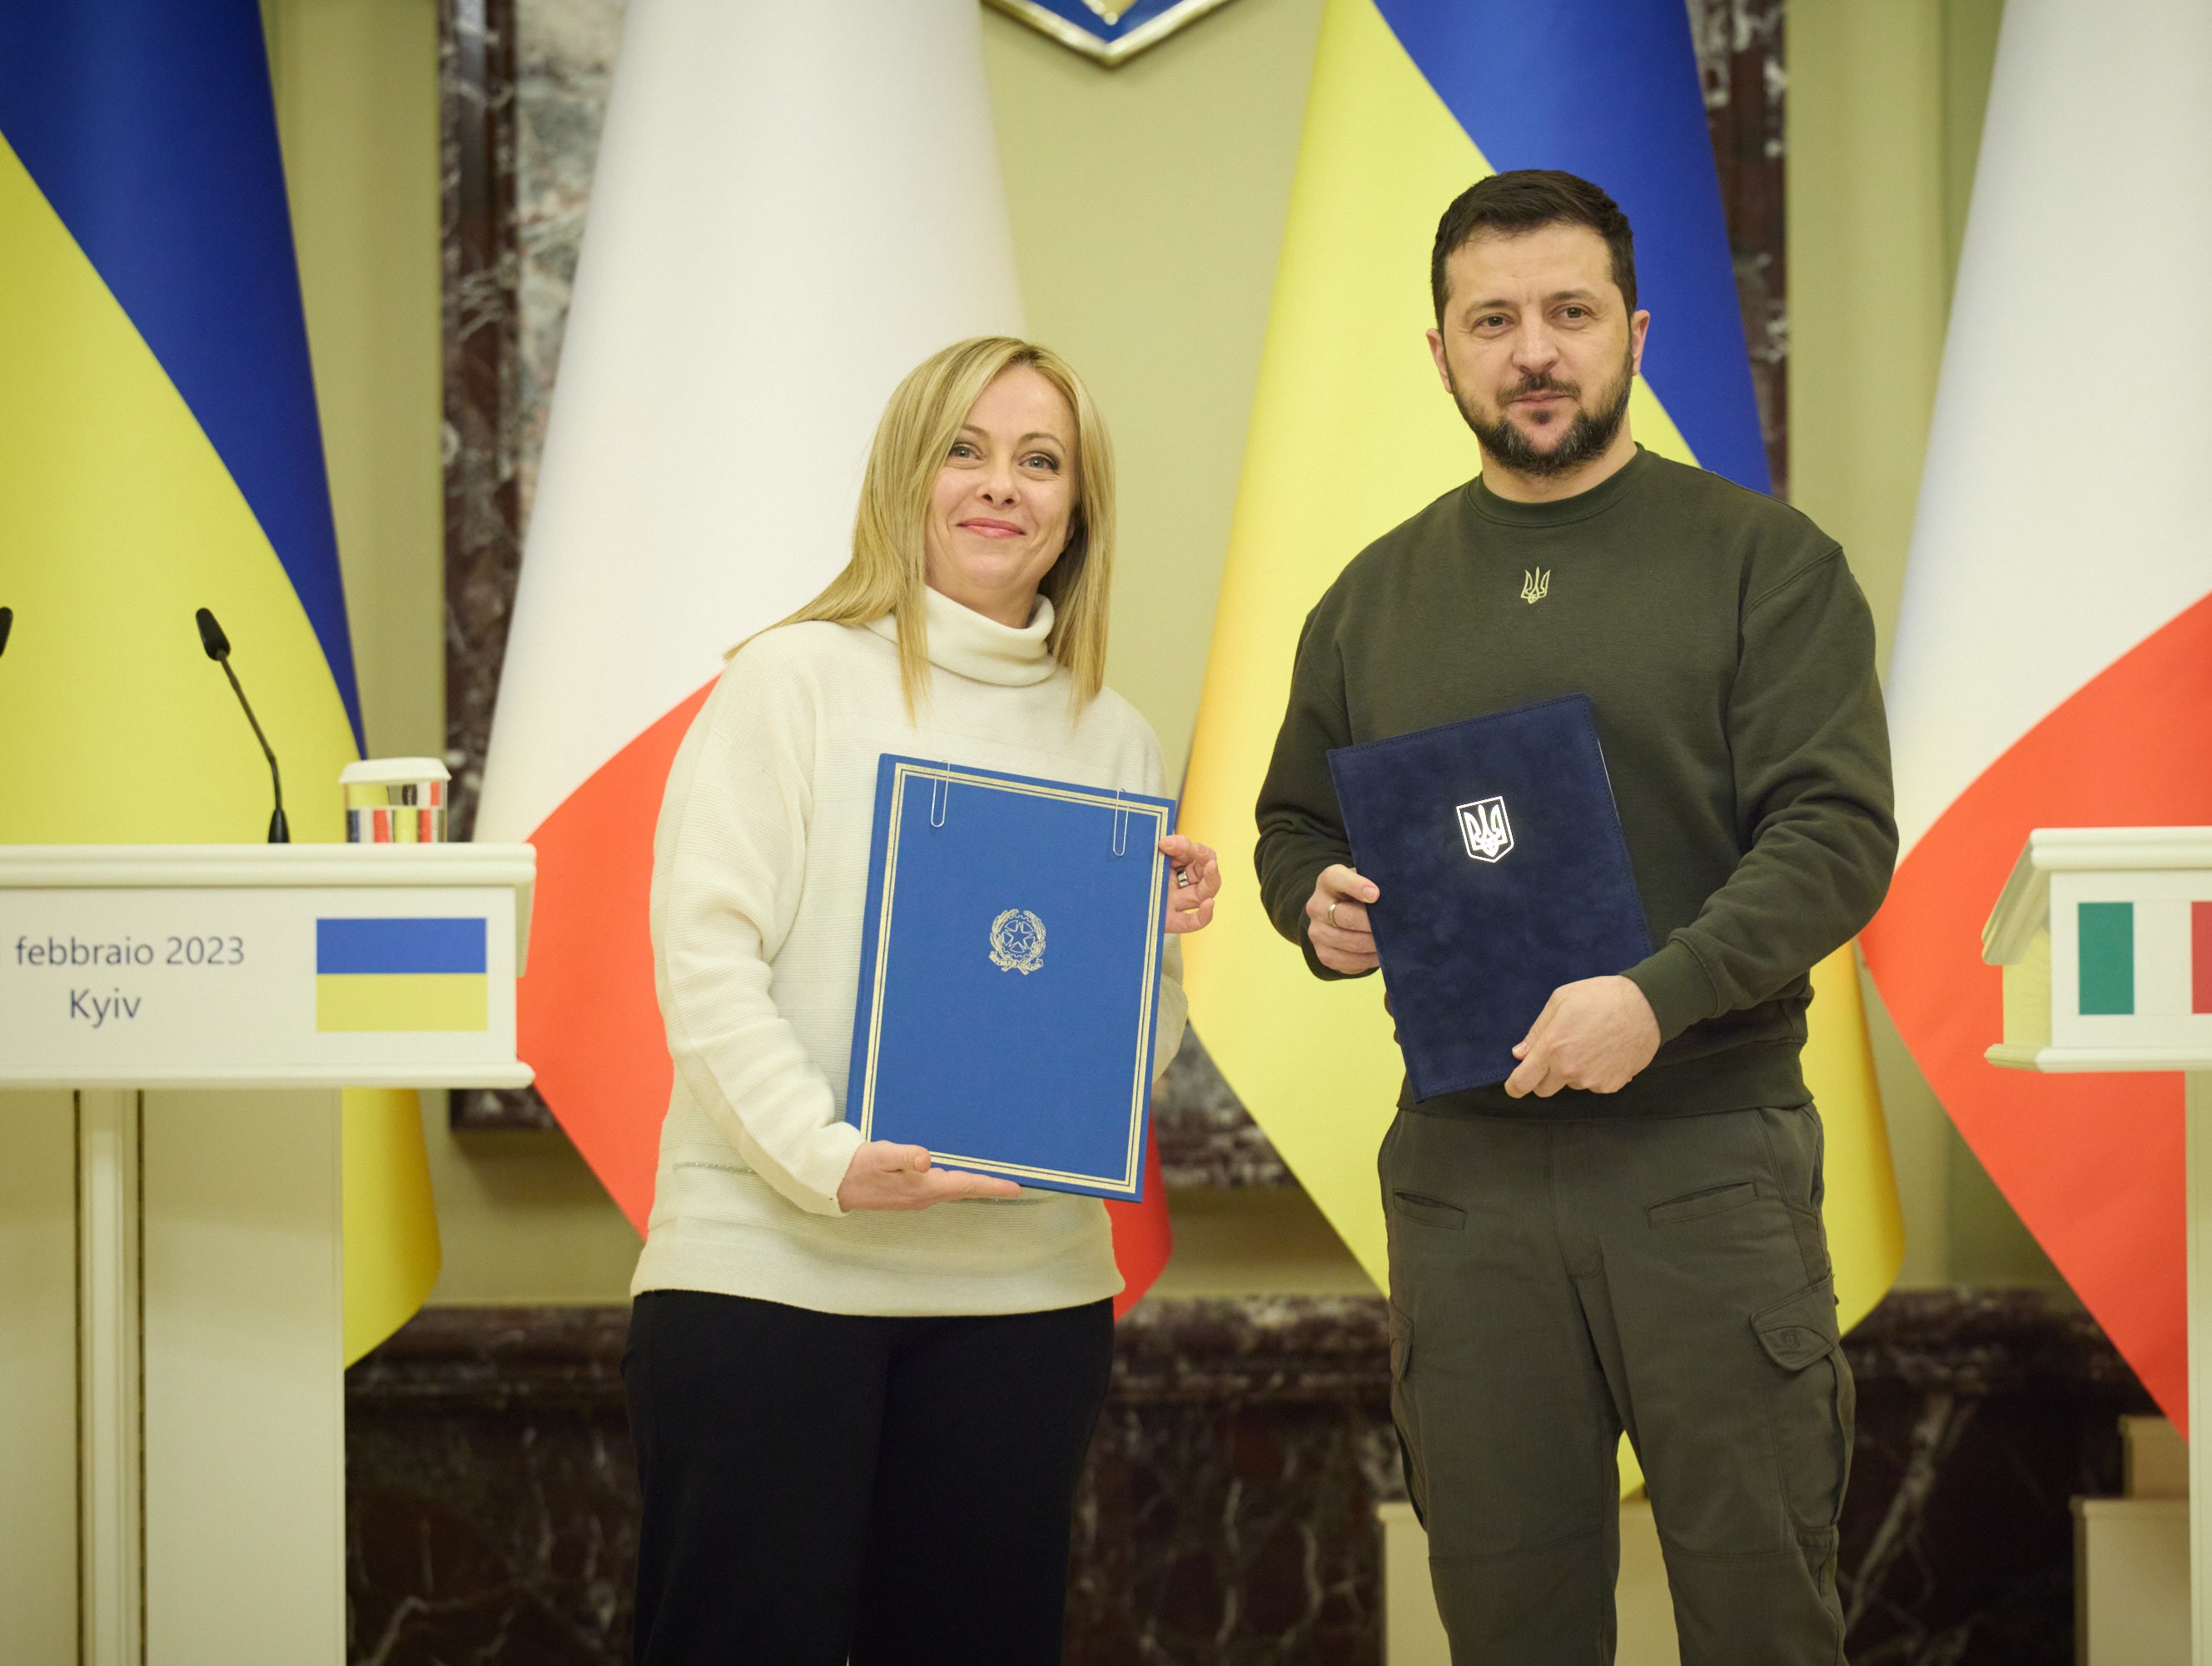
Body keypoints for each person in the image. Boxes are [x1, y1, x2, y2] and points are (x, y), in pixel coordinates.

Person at [1255, 171, 1896, 1662]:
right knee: (1508, 1624)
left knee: (1762, 1614)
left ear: (1634, 332)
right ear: (1441, 352)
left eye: (1569, 313)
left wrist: (1656, 997)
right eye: (1493, 319)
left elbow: (1836, 837)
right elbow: (1298, 822)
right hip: (1467, 1184)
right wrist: (1315, 905)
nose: (1533, 350)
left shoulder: (1763, 566)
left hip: (1703, 1165)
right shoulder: (1370, 599)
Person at [624, 336, 1221, 1665]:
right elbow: (706, 964)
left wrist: (1144, 951)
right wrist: (833, 1164)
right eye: (966, 448)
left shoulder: (1110, 732)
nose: (999, 485)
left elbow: (1125, 1050)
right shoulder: (788, 680)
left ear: (1078, 509)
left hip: (1020, 1304)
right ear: (910, 475)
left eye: (1039, 459)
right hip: (770, 1281)